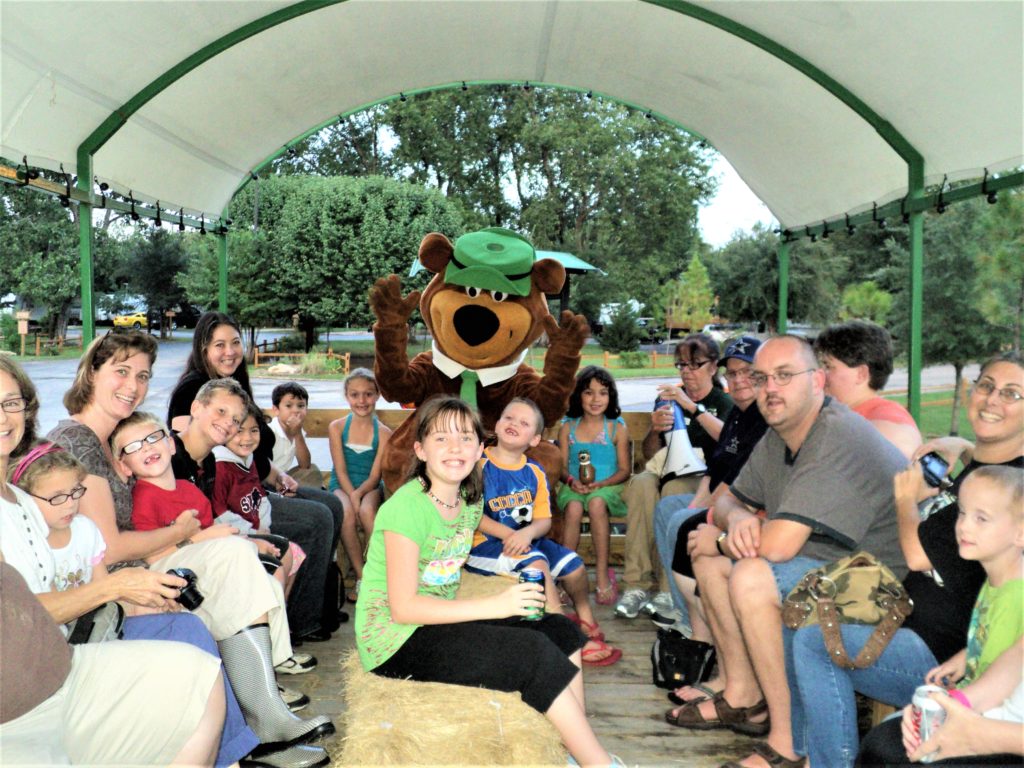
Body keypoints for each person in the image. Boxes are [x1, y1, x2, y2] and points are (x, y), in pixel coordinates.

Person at [39, 339, 333, 759]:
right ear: (91, 373)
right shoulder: (79, 441)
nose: (133, 385)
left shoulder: (111, 440)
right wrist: (182, 532)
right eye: (121, 372)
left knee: (241, 555)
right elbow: (112, 545)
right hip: (114, 584)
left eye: (142, 376)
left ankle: (262, 712)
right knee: (232, 558)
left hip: (145, 567)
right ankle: (263, 716)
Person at [670, 335, 908, 768]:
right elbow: (726, 500)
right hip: (828, 561)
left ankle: (788, 745)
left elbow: (778, 547)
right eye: (761, 378)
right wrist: (737, 520)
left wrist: (725, 537)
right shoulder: (781, 433)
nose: (769, 389)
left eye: (784, 376)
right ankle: (743, 694)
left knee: (748, 573)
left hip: (880, 585)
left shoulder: (833, 433)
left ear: (818, 380)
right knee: (708, 559)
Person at [355, 396, 621, 767]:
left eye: (465, 438)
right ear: (420, 449)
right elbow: (403, 608)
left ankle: (568, 750)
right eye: (441, 439)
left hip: (438, 617)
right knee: (533, 655)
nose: (454, 448)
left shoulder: (469, 500)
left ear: (481, 447)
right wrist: (499, 605)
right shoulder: (405, 508)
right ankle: (600, 765)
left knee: (561, 631)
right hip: (396, 639)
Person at [791, 352, 1024, 768]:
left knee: (813, 640)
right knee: (798, 601)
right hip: (909, 614)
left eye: (1012, 394)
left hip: (942, 649)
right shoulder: (982, 468)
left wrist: (904, 500)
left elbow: (918, 555)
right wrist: (960, 445)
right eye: (986, 386)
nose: (991, 400)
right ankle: (797, 744)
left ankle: (824, 760)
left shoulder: (1010, 489)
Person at [9, 441, 260, 766]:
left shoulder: (85, 531)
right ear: (27, 501)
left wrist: (144, 601)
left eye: (76, 493)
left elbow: (104, 595)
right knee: (180, 643)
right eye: (56, 498)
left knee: (186, 624)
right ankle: (224, 750)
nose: (69, 504)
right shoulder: (28, 545)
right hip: (68, 644)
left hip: (99, 626)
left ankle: (229, 750)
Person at [167, 311, 345, 640]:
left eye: (235, 342)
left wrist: (278, 476)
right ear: (203, 348)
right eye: (219, 344)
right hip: (227, 503)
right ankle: (301, 623)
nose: (230, 351)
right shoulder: (193, 390)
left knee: (332, 505)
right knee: (317, 518)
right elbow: (188, 457)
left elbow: (252, 453)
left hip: (252, 485)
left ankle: (318, 608)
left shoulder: (237, 386)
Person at [0, 560, 226, 766]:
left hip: (63, 669)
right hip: (12, 724)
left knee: (197, 676)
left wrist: (124, 598)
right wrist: (114, 587)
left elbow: (14, 596)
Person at [653, 336, 768, 703]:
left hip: (744, 510)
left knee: (683, 524)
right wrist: (697, 506)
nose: (738, 381)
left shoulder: (761, 415)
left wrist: (703, 512)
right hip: (717, 493)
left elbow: (740, 484)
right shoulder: (738, 413)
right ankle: (690, 616)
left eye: (746, 373)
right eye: (733, 375)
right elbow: (715, 471)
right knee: (670, 510)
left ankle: (700, 631)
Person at [466, 397, 622, 666]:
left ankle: (585, 617)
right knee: (537, 565)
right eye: (508, 418)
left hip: (527, 541)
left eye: (524, 423)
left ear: (536, 439)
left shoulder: (534, 472)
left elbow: (543, 521)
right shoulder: (478, 466)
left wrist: (526, 535)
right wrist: (510, 536)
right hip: (485, 546)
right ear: (497, 425)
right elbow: (472, 516)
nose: (514, 424)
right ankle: (563, 634)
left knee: (573, 565)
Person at [619, 333, 733, 620]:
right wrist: (655, 430)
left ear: (713, 367)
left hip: (705, 479)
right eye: (681, 365)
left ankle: (668, 590)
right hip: (664, 469)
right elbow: (648, 455)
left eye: (695, 365)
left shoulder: (724, 402)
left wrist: (693, 408)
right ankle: (636, 585)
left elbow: (731, 442)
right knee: (642, 484)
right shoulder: (666, 399)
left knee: (673, 492)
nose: (686, 372)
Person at [858, 639, 1024, 766]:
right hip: (1000, 719)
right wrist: (952, 706)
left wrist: (982, 736)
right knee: (879, 744)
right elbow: (1020, 653)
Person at [209, 402, 306, 597]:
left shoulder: (249, 459)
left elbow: (260, 497)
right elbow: (218, 514)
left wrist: (264, 526)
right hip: (233, 536)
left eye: (254, 431)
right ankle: (270, 614)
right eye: (239, 431)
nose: (247, 438)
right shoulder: (220, 467)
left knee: (294, 554)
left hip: (255, 530)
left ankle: (280, 615)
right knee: (277, 562)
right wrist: (253, 531)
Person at [557, 366, 631, 605]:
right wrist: (571, 481)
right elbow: (561, 467)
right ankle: (565, 575)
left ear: (611, 397)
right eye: (589, 392)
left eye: (603, 392)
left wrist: (602, 484)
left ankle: (601, 573)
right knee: (574, 509)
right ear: (579, 395)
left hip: (607, 487)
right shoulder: (568, 428)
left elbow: (624, 470)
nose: (596, 399)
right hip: (574, 486)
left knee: (597, 504)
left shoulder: (616, 428)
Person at [328, 368, 391, 602]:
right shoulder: (336, 427)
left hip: (370, 486)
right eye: (355, 395)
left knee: (366, 511)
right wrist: (352, 495)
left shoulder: (384, 433)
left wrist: (360, 494)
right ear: (347, 396)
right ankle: (361, 575)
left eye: (368, 394)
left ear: (377, 396)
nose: (361, 401)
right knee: (345, 512)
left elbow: (376, 476)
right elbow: (340, 469)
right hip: (341, 483)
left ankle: (378, 571)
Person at [814, 320, 922, 458]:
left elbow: (902, 441)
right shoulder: (840, 412)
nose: (820, 374)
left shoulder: (887, 416)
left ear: (861, 374)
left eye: (828, 367)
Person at [269, 382, 324, 490]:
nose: (295, 410)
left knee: (313, 470)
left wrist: (298, 434)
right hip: (266, 478)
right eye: (289, 406)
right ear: (276, 410)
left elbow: (305, 465)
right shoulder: (270, 431)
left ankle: (292, 492)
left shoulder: (299, 431)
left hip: (284, 479)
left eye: (301, 406)